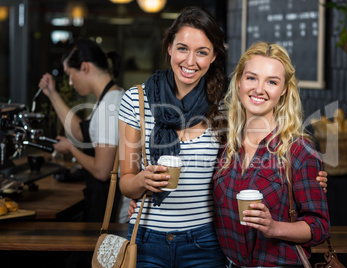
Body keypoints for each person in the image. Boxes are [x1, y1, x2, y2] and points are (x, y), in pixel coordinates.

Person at [120, 6, 328, 268]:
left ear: (214, 56)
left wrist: (308, 176)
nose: (190, 61)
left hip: (206, 244)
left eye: (202, 52)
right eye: (182, 48)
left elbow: (312, 213)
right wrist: (141, 182)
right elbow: (126, 181)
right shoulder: (137, 100)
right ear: (169, 47)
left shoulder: (220, 110)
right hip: (150, 237)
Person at [213, 41, 330, 268]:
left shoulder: (299, 150)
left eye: (272, 82)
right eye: (251, 78)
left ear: (284, 89)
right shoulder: (224, 145)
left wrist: (274, 227)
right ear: (239, 82)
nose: (259, 89)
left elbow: (320, 226)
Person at [38, 38, 128, 223]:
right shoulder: (109, 97)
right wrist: (52, 94)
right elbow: (80, 132)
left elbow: (102, 170)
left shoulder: (110, 105)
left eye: (70, 74)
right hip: (105, 203)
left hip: (113, 212)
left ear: (85, 68)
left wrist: (71, 149)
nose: (70, 82)